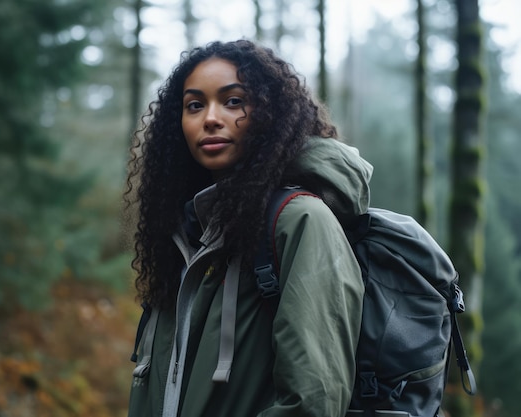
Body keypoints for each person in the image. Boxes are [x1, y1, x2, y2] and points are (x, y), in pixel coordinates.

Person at [125, 39, 372, 417]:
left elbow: (312, 402)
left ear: (270, 113)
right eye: (194, 105)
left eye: (233, 101)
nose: (210, 117)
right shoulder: (187, 233)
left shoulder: (301, 221)